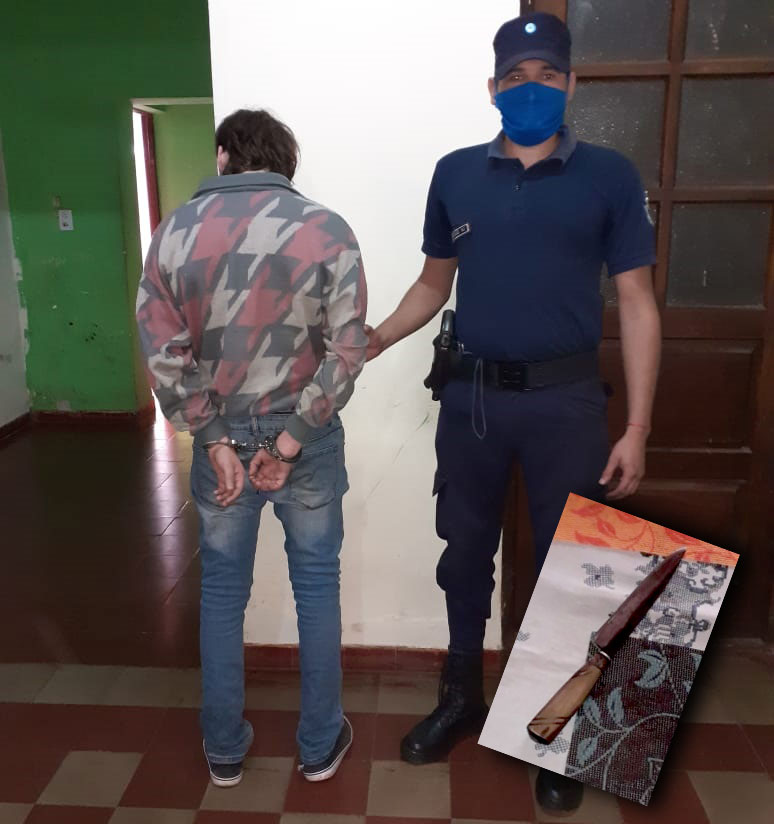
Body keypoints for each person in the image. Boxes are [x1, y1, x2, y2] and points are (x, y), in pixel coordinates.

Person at [366, 12, 660, 815]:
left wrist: (637, 428)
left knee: (574, 570)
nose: (532, 89)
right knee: (464, 554)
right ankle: (462, 697)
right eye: (516, 77)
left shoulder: (609, 176)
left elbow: (637, 302)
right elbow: (434, 282)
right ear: (492, 88)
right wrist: (379, 336)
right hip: (473, 402)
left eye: (547, 75)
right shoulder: (456, 173)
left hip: (568, 404)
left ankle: (558, 731)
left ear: (572, 83)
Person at [136, 109, 368, 787]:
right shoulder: (327, 230)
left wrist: (211, 438)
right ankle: (319, 744)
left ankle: (225, 749)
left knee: (221, 592)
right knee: (317, 587)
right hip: (307, 442)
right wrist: (293, 440)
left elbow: (164, 353)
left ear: (222, 156)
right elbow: (348, 351)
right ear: (285, 163)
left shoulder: (174, 233)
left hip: (223, 442)